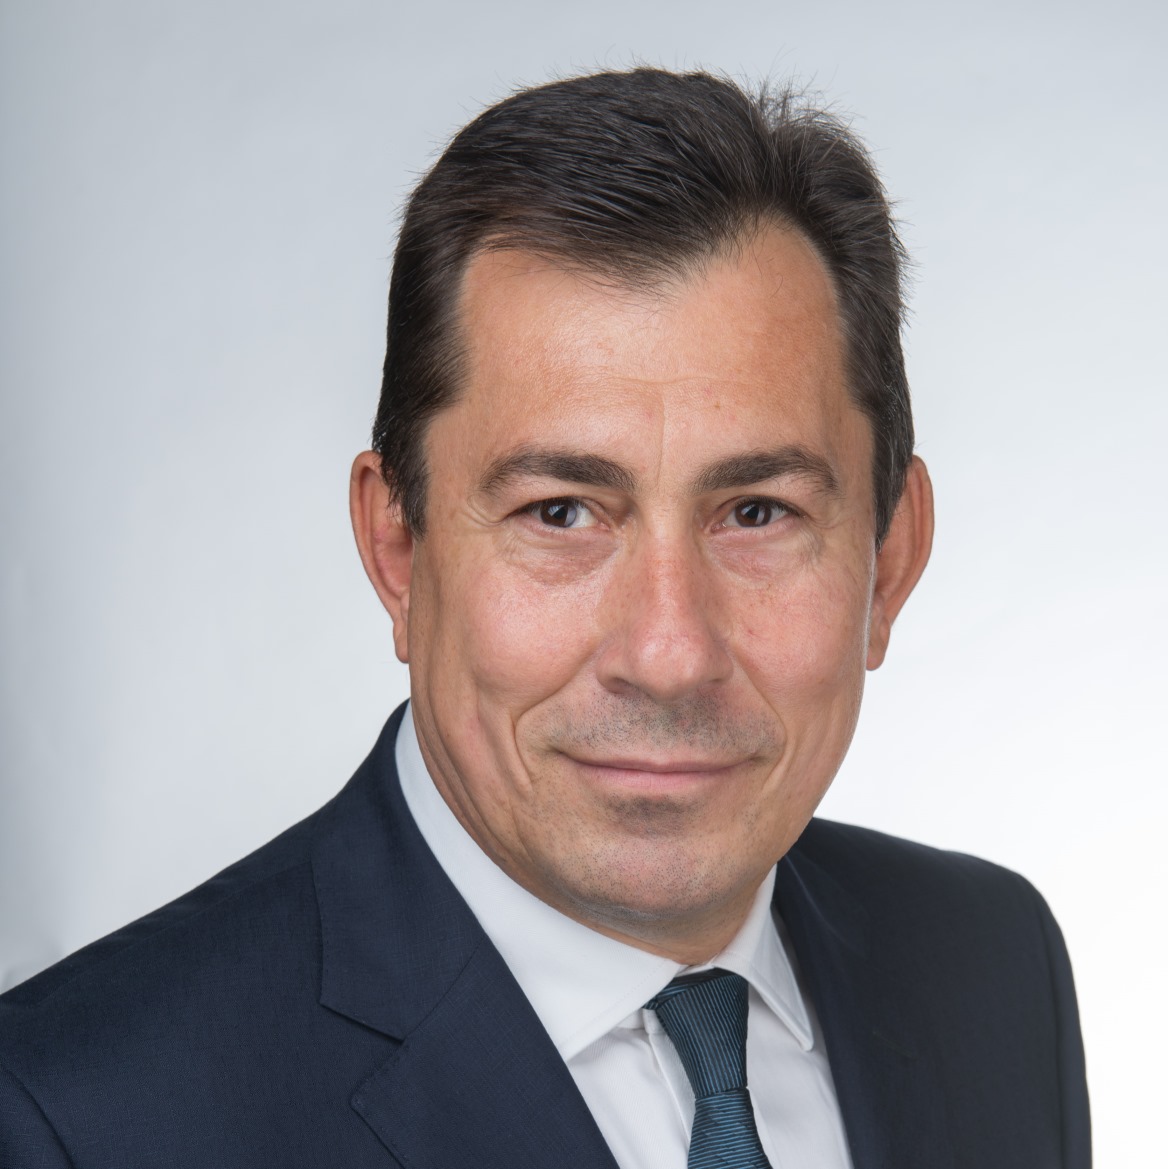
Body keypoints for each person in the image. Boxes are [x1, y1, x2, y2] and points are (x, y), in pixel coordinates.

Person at [0, 67, 1089, 1168]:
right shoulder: (76, 1118)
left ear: (889, 557)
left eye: (756, 511)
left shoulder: (993, 965)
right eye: (560, 511)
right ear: (399, 547)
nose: (668, 653)